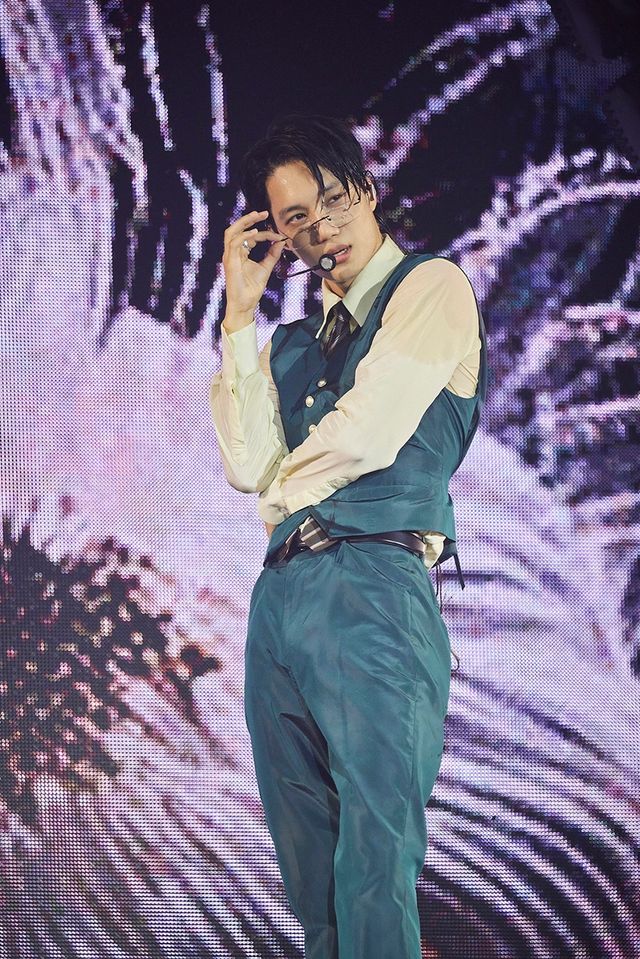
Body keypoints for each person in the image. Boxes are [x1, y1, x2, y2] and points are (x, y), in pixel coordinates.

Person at [210, 114, 487, 959]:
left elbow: (369, 429)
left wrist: (282, 494)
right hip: (282, 596)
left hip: (373, 580)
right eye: (294, 219)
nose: (318, 229)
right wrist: (240, 317)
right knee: (310, 866)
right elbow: (246, 462)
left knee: (373, 854)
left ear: (365, 191)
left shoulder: (430, 288)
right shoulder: (292, 343)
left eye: (329, 201)